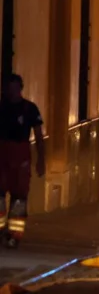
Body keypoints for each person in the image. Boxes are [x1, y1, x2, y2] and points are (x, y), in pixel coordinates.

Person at [0, 74, 45, 248]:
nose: (11, 92)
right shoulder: (1, 108)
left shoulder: (30, 109)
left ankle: (15, 234)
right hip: (2, 154)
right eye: (8, 88)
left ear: (20, 89)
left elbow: (39, 136)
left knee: (19, 198)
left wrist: (41, 160)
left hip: (21, 155)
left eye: (15, 88)